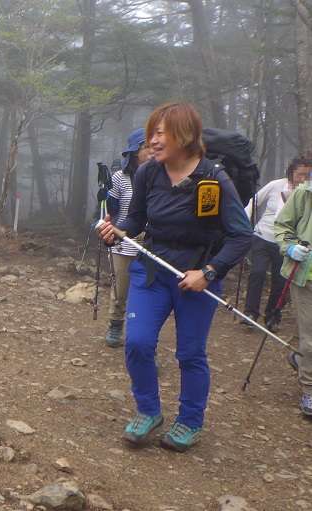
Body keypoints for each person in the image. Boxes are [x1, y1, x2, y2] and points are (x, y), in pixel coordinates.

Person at [96, 102, 252, 451]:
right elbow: (136, 219)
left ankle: (190, 421)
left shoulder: (214, 178)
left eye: (160, 132)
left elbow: (242, 235)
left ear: (185, 135)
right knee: (137, 343)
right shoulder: (148, 173)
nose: (152, 140)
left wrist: (209, 273)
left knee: (190, 354)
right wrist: (116, 230)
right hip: (151, 271)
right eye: (151, 132)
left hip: (196, 276)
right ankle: (148, 411)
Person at [103, 128, 153, 348]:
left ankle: (144, 336)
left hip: (151, 245)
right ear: (135, 152)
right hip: (123, 242)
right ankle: (115, 325)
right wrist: (105, 196)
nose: (151, 151)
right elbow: (111, 210)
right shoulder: (120, 178)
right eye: (146, 147)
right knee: (120, 289)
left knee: (149, 293)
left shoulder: (161, 176)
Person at [273, 153, 312, 418]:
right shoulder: (303, 195)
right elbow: (281, 226)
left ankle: (300, 361)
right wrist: (290, 247)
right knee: (309, 338)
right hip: (306, 277)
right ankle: (309, 390)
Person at [242, 168, 298, 332]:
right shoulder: (276, 185)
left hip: (286, 244)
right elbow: (254, 201)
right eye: (299, 172)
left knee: (280, 281)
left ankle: (273, 317)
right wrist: (245, 223)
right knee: (258, 272)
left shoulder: (303, 193)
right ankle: (250, 313)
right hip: (262, 236)